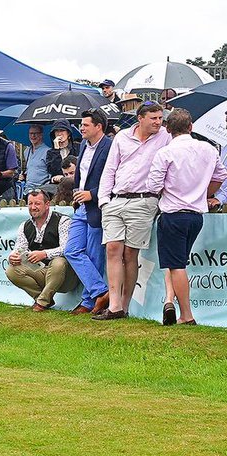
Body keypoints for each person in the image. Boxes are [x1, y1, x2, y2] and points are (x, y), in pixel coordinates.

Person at [146, 108, 227, 326]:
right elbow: (221, 175)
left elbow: (153, 185)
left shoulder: (165, 153)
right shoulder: (208, 149)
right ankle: (171, 303)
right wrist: (205, 192)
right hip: (196, 216)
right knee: (177, 263)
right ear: (191, 127)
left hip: (173, 214)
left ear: (168, 129)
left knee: (176, 265)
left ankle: (187, 315)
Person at [94, 102, 171, 321]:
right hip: (116, 200)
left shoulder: (166, 137)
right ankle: (115, 305)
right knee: (112, 248)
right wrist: (103, 201)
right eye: (153, 118)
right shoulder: (122, 137)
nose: (158, 122)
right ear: (140, 118)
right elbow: (110, 169)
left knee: (130, 254)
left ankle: (123, 306)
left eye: (160, 118)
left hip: (144, 200)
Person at [63, 108, 114, 315]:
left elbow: (113, 177)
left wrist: (91, 195)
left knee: (94, 256)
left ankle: (88, 302)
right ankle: (100, 292)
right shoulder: (83, 144)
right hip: (81, 207)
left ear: (98, 127)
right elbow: (81, 176)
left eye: (85, 125)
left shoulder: (110, 147)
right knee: (72, 250)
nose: (81, 128)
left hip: (98, 207)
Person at [5, 189, 78, 311]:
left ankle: (42, 303)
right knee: (11, 270)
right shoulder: (24, 226)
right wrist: (13, 256)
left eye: (37, 203)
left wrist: (44, 254)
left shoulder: (63, 221)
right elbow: (19, 248)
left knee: (59, 262)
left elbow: (66, 249)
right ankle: (43, 299)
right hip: (42, 272)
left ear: (47, 204)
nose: (33, 207)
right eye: (30, 203)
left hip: (66, 277)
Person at [22, 124, 51, 189]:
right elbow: (31, 169)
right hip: (28, 189)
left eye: (36, 133)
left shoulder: (48, 151)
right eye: (31, 133)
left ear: (41, 135)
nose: (33, 136)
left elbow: (50, 173)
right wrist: (24, 175)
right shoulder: (27, 151)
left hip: (42, 189)